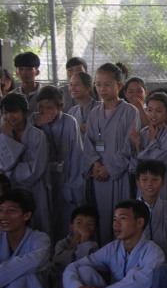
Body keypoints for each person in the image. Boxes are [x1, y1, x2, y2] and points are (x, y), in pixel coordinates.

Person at [83, 63, 140, 245]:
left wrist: (109, 168)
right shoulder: (94, 113)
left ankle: (122, 252)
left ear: (119, 86)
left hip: (118, 174)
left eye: (107, 84)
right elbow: (88, 142)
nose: (102, 89)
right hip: (98, 174)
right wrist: (96, 164)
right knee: (102, 216)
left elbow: (129, 145)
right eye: (98, 84)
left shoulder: (130, 111)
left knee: (121, 217)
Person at [32, 86, 84, 243]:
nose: (44, 112)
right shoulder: (33, 120)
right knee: (44, 217)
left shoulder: (70, 122)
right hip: (43, 178)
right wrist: (37, 126)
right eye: (41, 107)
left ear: (60, 107)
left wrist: (73, 184)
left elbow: (77, 155)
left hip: (65, 178)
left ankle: (65, 249)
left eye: (50, 108)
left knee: (65, 216)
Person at [0, 188, 54, 288]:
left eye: (11, 211)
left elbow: (36, 262)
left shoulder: (40, 239)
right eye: (1, 210)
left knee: (25, 278)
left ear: (26, 215)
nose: (4, 216)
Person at [0, 93, 51, 238]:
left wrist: (9, 172)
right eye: (5, 112)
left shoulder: (38, 136)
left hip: (35, 189)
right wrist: (5, 138)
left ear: (25, 113)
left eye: (14, 112)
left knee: (38, 226)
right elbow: (2, 164)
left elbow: (34, 171)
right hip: (10, 191)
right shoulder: (2, 134)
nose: (9, 116)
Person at [134, 159, 167, 268]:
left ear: (163, 182)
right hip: (136, 268)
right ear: (137, 183)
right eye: (144, 179)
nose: (149, 184)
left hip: (165, 267)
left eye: (155, 179)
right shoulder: (129, 209)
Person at [129, 92, 167, 204]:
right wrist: (137, 145)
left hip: (165, 185)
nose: (153, 114)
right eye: (150, 110)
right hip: (144, 186)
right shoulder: (143, 133)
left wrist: (153, 140)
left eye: (158, 111)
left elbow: (154, 162)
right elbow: (134, 167)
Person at [50, 205, 100, 288]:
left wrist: (84, 243)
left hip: (82, 285)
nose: (83, 228)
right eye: (79, 223)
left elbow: (82, 265)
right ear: (71, 227)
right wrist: (73, 244)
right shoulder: (62, 244)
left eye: (89, 225)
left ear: (94, 230)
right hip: (60, 286)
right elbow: (59, 263)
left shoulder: (94, 247)